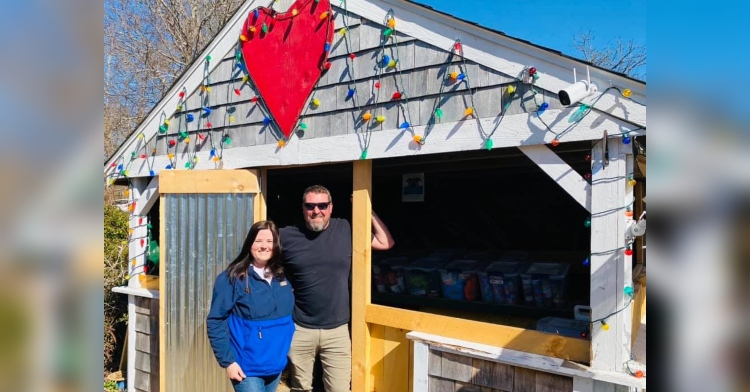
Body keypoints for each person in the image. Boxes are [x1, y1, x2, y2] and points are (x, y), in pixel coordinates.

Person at [281, 185, 394, 392]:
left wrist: (366, 210)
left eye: (322, 205)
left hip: (338, 330)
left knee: (339, 389)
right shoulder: (287, 235)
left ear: (331, 207)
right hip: (300, 328)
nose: (317, 211)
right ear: (303, 208)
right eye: (310, 206)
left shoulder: (346, 229)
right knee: (300, 388)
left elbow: (385, 242)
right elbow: (260, 256)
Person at [207, 220, 295, 392]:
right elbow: (216, 321)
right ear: (249, 244)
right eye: (258, 241)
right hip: (247, 369)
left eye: (269, 241)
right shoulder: (232, 278)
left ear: (276, 245)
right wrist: (228, 362)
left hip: (276, 365)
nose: (264, 246)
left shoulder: (283, 276)